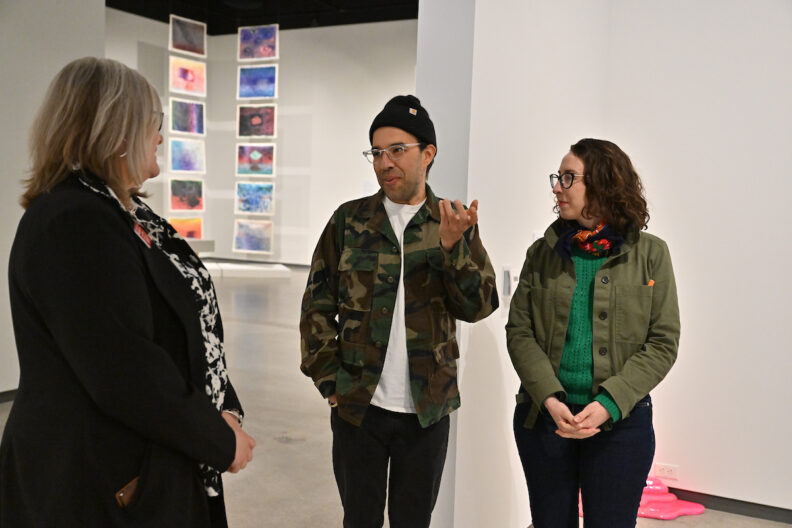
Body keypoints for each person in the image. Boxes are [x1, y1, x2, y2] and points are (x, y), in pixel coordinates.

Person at [0, 57, 255, 527]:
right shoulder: (76, 223)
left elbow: (181, 325)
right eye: (153, 122)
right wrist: (216, 440)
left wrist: (223, 408)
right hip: (97, 481)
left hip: (128, 467)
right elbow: (124, 367)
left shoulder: (127, 215)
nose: (160, 136)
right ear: (116, 131)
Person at [300, 95, 498, 528]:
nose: (384, 162)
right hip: (358, 409)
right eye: (376, 152)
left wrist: (451, 249)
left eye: (396, 150)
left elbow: (479, 306)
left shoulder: (454, 221)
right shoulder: (348, 222)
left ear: (428, 154)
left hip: (426, 412)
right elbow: (316, 305)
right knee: (360, 520)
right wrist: (330, 382)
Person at [506, 139, 680, 528]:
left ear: (603, 184)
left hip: (621, 426)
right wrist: (551, 400)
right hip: (545, 423)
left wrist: (608, 404)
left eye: (569, 177)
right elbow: (520, 331)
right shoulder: (542, 253)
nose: (557, 187)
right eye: (558, 177)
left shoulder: (650, 254)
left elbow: (663, 341)